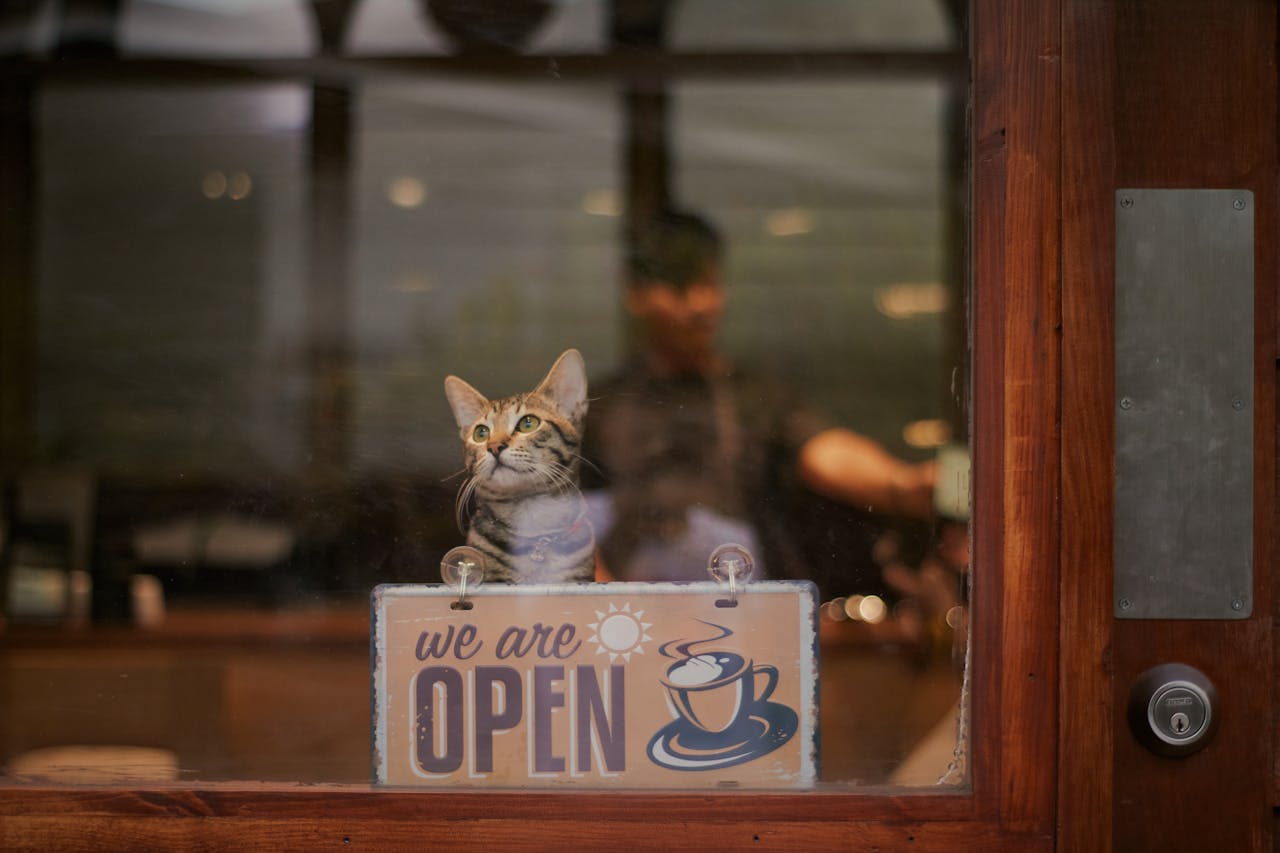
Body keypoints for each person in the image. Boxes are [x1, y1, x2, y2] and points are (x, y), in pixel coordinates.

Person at [582, 210, 939, 589]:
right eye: (681, 288)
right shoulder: (602, 407)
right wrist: (604, 602)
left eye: (710, 283)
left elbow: (824, 452)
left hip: (745, 609)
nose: (702, 304)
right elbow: (565, 519)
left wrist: (902, 485)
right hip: (630, 618)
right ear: (637, 295)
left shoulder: (755, 395)